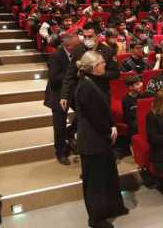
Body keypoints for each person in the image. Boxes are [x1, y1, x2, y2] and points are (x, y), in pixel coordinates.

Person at [74, 51, 128, 228]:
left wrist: (110, 127)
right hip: (92, 140)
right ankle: (96, 218)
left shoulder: (93, 82)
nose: (105, 65)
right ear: (94, 67)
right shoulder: (85, 86)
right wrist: (109, 130)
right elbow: (94, 116)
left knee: (109, 175)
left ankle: (113, 207)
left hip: (100, 138)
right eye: (102, 63)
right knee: (94, 181)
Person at [45, 33, 79, 165]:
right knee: (59, 126)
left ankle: (69, 132)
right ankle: (60, 152)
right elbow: (54, 79)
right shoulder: (56, 56)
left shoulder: (76, 54)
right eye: (77, 46)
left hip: (73, 92)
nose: (79, 48)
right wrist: (72, 72)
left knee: (85, 113)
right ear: (69, 46)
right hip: (58, 94)